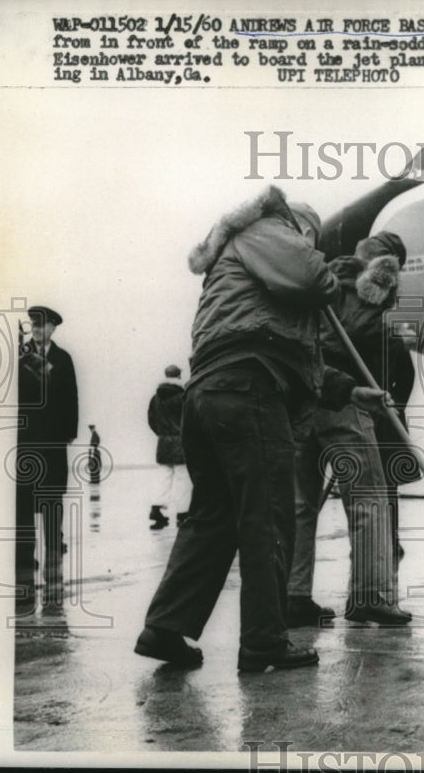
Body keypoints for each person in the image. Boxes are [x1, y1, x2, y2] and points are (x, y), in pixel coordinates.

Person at [134, 186, 389, 673]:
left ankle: (164, 627)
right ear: (298, 227)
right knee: (268, 514)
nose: (311, 244)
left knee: (214, 518)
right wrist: (329, 275)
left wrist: (348, 391)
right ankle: (264, 641)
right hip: (249, 390)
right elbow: (313, 277)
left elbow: (293, 352)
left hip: (213, 393)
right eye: (309, 236)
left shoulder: (252, 268)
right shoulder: (268, 230)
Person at [287, 231, 415, 627]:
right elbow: (353, 338)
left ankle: (294, 595)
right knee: (368, 498)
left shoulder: (320, 280)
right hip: (343, 399)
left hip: (302, 397)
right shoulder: (369, 286)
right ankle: (370, 597)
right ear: (388, 263)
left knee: (300, 504)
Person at [16, 306, 79, 610]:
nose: (37, 329)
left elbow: (71, 396)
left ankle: (53, 563)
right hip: (25, 442)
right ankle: (24, 567)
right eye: (34, 324)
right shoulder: (20, 355)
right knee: (23, 506)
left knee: (52, 504)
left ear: (53, 327)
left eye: (42, 325)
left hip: (53, 442)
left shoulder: (63, 359)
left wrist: (69, 432)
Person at [147, 364, 191, 527]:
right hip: (181, 443)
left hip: (163, 442)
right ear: (179, 376)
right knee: (182, 478)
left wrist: (162, 434)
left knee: (163, 477)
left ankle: (156, 509)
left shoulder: (156, 398)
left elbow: (151, 420)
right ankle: (182, 513)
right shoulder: (183, 396)